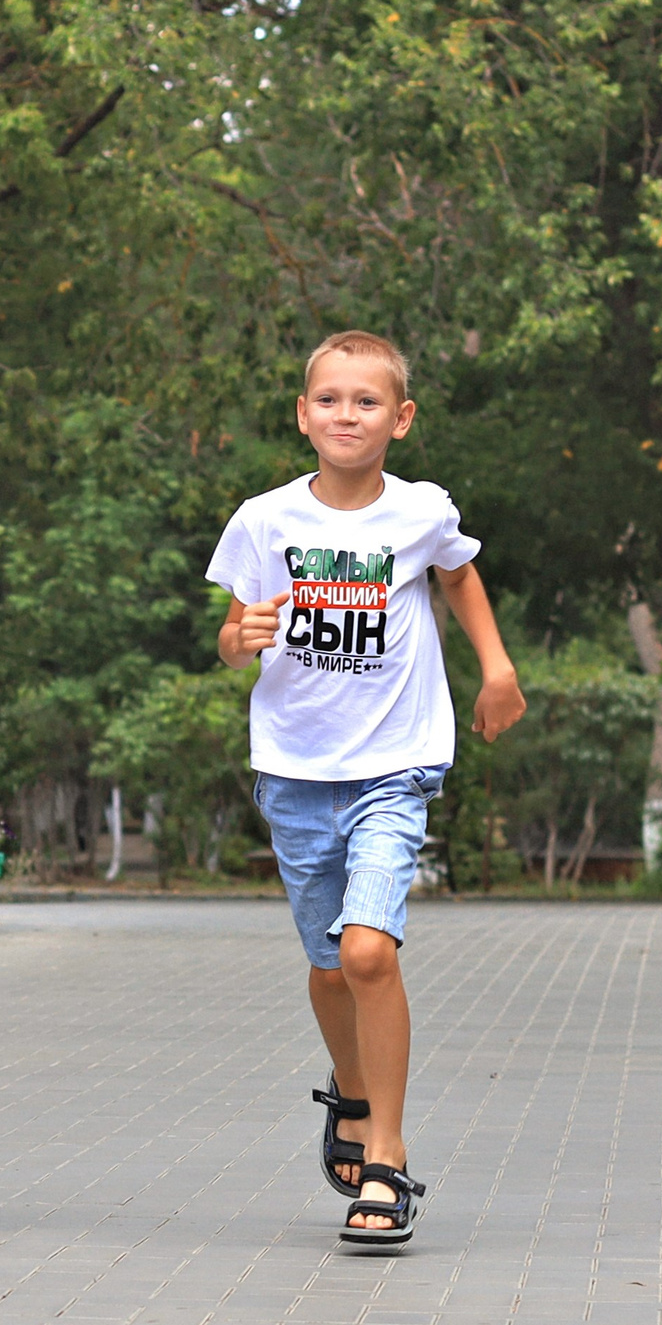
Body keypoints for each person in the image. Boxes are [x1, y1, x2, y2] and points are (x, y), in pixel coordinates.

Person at [209, 330, 524, 1248]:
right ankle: (350, 1090)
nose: (346, 415)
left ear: (401, 418)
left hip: (396, 762)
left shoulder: (421, 512)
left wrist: (497, 669)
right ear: (302, 415)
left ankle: (385, 1155)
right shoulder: (264, 520)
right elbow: (233, 635)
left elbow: (460, 578)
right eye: (329, 400)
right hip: (295, 771)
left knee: (368, 953)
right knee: (327, 966)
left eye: (367, 401)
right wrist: (240, 639)